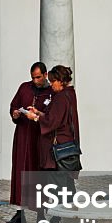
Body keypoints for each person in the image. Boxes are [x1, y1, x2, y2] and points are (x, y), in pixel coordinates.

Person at [6, 62, 52, 223]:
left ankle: (41, 214)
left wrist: (38, 115)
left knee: (39, 175)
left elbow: (52, 116)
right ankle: (20, 214)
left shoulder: (50, 92)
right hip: (23, 137)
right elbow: (13, 106)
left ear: (45, 75)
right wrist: (16, 114)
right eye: (33, 77)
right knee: (21, 173)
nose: (35, 80)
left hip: (39, 139)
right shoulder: (24, 88)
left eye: (38, 77)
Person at [27, 66, 80, 195]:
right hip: (68, 145)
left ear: (61, 81)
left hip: (59, 148)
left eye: (53, 81)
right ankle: (66, 213)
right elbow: (57, 117)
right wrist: (39, 112)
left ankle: (60, 214)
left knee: (59, 186)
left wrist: (34, 118)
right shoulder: (70, 94)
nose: (51, 85)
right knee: (67, 185)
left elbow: (52, 122)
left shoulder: (61, 97)